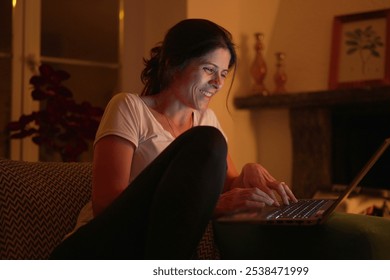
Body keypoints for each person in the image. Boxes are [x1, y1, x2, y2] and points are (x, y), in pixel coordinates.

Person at [50, 18, 297, 260]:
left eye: (223, 73)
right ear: (172, 64)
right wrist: (211, 207)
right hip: (99, 246)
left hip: (153, 248)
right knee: (206, 139)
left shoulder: (207, 119)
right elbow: (105, 205)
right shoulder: (130, 107)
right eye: (209, 70)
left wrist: (248, 172)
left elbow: (226, 186)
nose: (218, 83)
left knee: (208, 137)